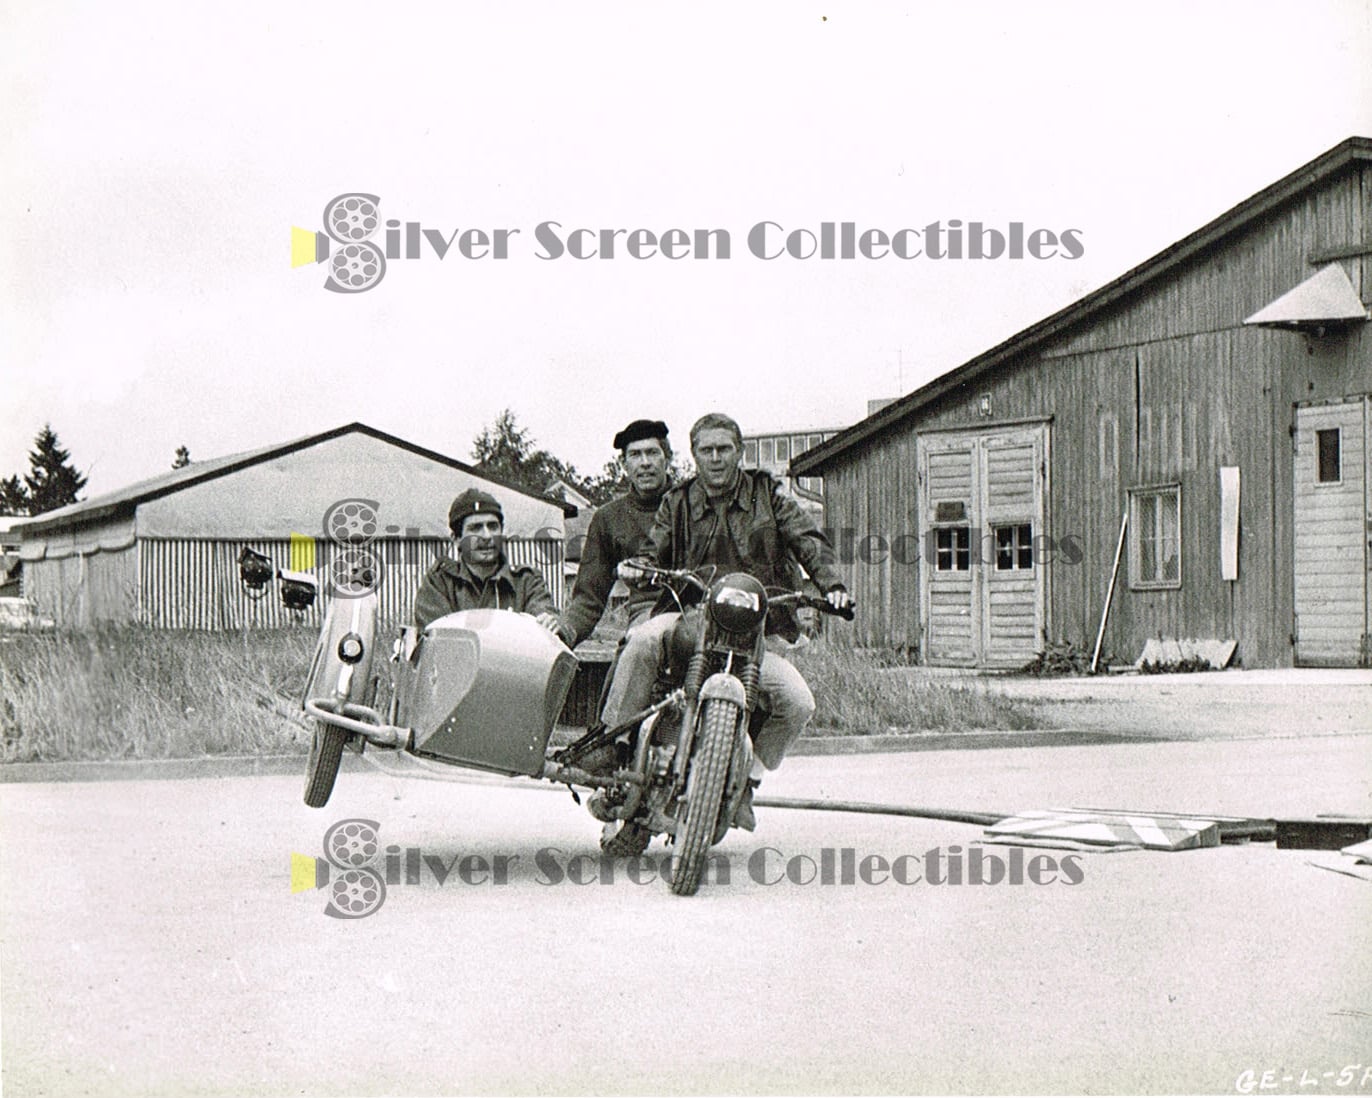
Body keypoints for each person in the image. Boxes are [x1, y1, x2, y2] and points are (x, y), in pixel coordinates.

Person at [606, 412, 853, 831]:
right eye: (707, 450)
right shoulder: (678, 501)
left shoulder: (768, 494)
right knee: (644, 639)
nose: (716, 457)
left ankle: (746, 784)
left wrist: (832, 585)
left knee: (797, 702)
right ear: (694, 454)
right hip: (689, 616)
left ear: (739, 452)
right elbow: (654, 546)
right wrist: (639, 566)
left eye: (724, 449)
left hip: (754, 631)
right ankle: (613, 743)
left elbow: (806, 538)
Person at [555, 419, 673, 649]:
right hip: (646, 617)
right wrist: (565, 632)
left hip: (695, 613)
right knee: (633, 652)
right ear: (624, 464)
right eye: (635, 455)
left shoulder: (692, 504)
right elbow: (589, 597)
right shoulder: (608, 518)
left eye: (652, 453)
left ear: (667, 458)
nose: (645, 463)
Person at [413, 488, 560, 632]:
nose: (487, 536)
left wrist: (549, 622)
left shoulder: (526, 582)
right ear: (457, 539)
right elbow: (438, 637)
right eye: (475, 528)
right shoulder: (440, 583)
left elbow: (545, 617)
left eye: (493, 526)